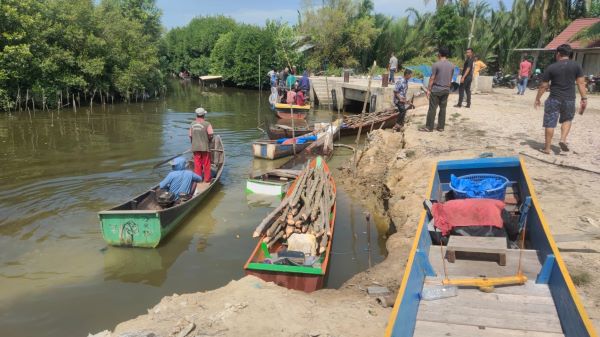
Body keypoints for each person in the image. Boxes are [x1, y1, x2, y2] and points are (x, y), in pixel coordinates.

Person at [534, 44, 587, 154]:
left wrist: (538, 98)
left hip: (554, 98)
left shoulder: (551, 67)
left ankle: (547, 148)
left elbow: (544, 86)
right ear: (570, 54)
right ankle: (563, 139)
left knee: (550, 123)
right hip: (569, 99)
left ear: (558, 54)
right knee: (567, 119)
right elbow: (581, 83)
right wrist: (584, 98)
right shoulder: (577, 66)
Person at [421, 47, 455, 132]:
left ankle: (429, 127)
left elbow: (432, 78)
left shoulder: (436, 64)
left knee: (432, 108)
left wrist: (429, 89)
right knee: (443, 108)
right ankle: (441, 127)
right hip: (446, 89)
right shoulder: (452, 65)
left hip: (436, 89)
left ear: (439, 54)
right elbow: (450, 78)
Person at [189, 107, 214, 182]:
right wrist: (209, 140)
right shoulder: (207, 124)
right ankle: (207, 179)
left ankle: (198, 179)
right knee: (206, 163)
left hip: (195, 147)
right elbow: (211, 134)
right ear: (203, 115)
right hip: (204, 147)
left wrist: (193, 143)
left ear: (196, 115)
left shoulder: (192, 124)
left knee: (197, 163)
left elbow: (190, 136)